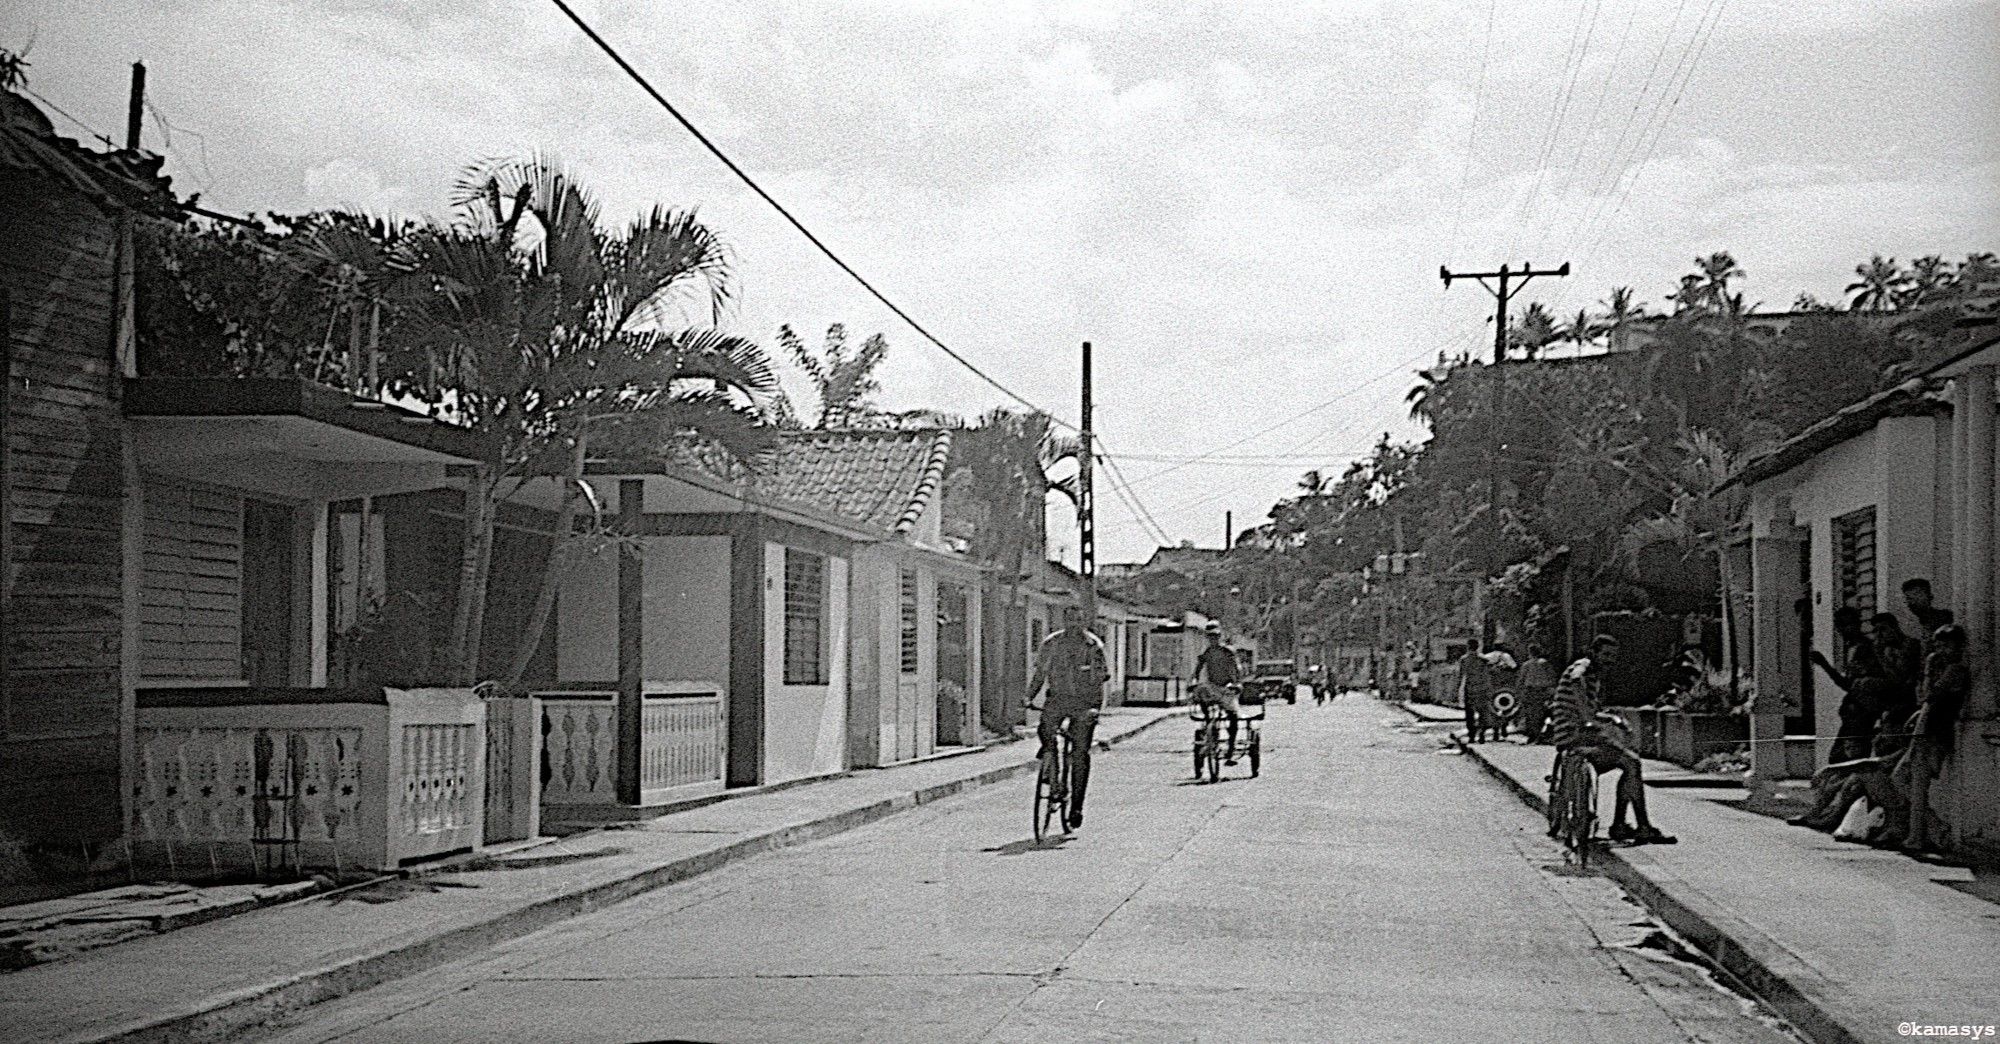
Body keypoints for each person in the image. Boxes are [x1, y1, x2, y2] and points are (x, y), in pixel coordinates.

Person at [1548, 634, 1676, 845]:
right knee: (1632, 763)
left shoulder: (1594, 677)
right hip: (1578, 735)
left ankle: (1620, 824)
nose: (1609, 659)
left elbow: (1592, 711)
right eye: (1605, 654)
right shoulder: (1583, 666)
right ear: (1594, 653)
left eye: (1613, 656)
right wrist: (1586, 714)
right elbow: (1576, 677)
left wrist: (1612, 718)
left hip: (1569, 736)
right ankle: (1640, 826)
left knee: (1625, 758)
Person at [1027, 606, 1109, 831]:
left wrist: (1095, 710)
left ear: (1084, 621)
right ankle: (1051, 770)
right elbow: (1040, 675)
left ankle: (1076, 808)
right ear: (1063, 621)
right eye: (1069, 620)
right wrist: (1028, 697)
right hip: (1058, 699)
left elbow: (1100, 680)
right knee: (1045, 729)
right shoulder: (1051, 644)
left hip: (1085, 703)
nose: (1073, 625)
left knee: (1080, 753)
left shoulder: (1093, 646)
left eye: (1078, 620)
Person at [1902, 624, 1968, 853]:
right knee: (1902, 779)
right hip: (1926, 729)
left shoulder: (1955, 670)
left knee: (1917, 784)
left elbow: (1930, 698)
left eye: (1946, 645)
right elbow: (1923, 699)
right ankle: (1932, 829)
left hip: (1934, 732)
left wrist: (1930, 670)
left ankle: (1919, 836)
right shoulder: (1943, 668)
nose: (1941, 650)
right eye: (1938, 645)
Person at [1811, 607, 1891, 763]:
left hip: (1862, 712)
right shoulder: (1851, 649)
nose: (1843, 629)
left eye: (1847, 624)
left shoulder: (1866, 649)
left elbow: (1853, 685)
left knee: (1848, 759)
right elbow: (1847, 684)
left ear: (1857, 624)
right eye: (1840, 625)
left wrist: (1825, 665)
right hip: (1852, 713)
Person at [1191, 622, 1244, 763]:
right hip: (1212, 687)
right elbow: (1198, 669)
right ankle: (1209, 726)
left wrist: (1237, 683)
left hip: (1227, 687)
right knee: (1200, 695)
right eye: (1210, 636)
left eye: (1215, 636)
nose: (1213, 639)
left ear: (1220, 636)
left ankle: (1231, 749)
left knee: (1233, 716)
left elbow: (1237, 668)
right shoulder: (1207, 652)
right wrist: (1194, 681)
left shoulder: (1228, 651)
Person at [1516, 645, 1558, 744]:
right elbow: (1552, 677)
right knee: (1541, 713)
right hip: (1543, 691)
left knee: (1531, 715)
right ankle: (1537, 735)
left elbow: (1521, 679)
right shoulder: (1545, 663)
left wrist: (1518, 692)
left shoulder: (1526, 665)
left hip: (1530, 691)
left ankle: (1533, 735)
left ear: (1530, 652)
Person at [1457, 636, 1495, 743]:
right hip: (1482, 688)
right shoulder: (1483, 659)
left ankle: (1472, 735)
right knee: (1483, 712)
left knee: (1470, 714)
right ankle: (1482, 733)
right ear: (1477, 647)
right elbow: (1488, 675)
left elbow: (1461, 676)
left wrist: (1458, 689)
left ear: (1468, 647)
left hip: (1470, 689)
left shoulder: (1464, 659)